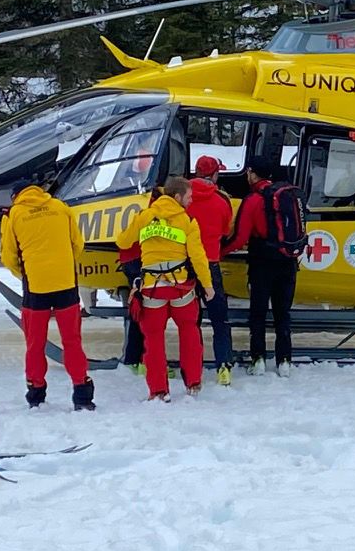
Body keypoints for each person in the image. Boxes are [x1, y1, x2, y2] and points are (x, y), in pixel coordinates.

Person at [116, 175, 215, 401]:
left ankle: (159, 391)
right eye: (189, 197)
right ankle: (193, 383)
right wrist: (208, 286)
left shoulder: (145, 216)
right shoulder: (187, 221)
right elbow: (198, 257)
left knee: (153, 341)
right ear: (177, 196)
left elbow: (122, 242)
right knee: (190, 334)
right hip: (181, 289)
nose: (191, 201)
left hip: (152, 290)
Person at [0, 184, 94, 410]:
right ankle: (82, 393)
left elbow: (8, 256)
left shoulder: (15, 214)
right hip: (66, 284)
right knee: (72, 341)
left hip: (36, 288)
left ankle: (36, 393)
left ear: (17, 196)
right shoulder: (61, 207)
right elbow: (77, 244)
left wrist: (25, 272)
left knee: (35, 344)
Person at [223, 161, 303, 376]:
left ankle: (258, 359)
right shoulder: (287, 197)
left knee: (258, 313)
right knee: (282, 313)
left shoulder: (253, 200)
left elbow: (240, 237)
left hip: (262, 264)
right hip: (287, 262)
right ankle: (284, 361)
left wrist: (218, 253)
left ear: (252, 174)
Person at [187, 156, 237, 386]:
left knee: (190, 321)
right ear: (215, 175)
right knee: (219, 319)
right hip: (210, 265)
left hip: (184, 267)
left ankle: (191, 367)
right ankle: (224, 367)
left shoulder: (182, 197)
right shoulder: (222, 200)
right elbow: (227, 231)